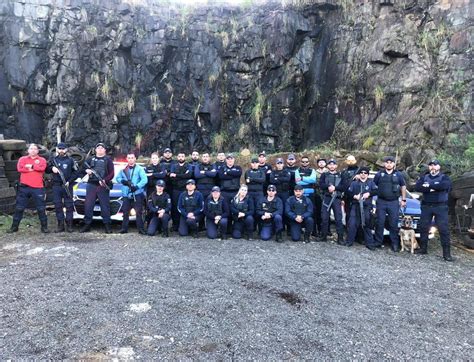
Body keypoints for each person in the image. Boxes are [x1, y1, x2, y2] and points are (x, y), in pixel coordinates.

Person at [415, 159, 454, 261]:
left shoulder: (444, 177)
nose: (432, 167)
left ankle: (447, 254)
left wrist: (429, 186)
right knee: (423, 227)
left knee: (443, 230)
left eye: (435, 165)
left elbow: (444, 186)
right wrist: (433, 188)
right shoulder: (424, 177)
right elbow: (418, 187)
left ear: (439, 167)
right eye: (431, 165)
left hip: (440, 207)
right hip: (426, 206)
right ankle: (423, 249)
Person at [8, 143, 49, 233]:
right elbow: (20, 169)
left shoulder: (42, 159)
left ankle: (44, 228)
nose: (33, 150)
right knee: (19, 208)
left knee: (41, 208)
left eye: (35, 149)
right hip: (24, 187)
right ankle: (14, 227)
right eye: (31, 148)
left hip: (38, 188)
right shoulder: (22, 159)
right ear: (28, 150)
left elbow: (42, 168)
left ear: (38, 151)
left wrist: (31, 166)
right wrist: (33, 168)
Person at [373, 156, 407, 251]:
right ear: (384, 164)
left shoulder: (399, 175)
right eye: (387, 162)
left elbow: (403, 186)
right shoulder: (379, 174)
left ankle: (394, 244)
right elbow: (373, 186)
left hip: (394, 202)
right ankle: (378, 242)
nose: (388, 164)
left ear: (393, 164)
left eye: (390, 162)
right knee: (379, 222)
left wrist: (403, 199)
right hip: (381, 202)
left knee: (393, 223)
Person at [80, 142, 114, 233]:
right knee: (88, 206)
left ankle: (107, 225)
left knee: (105, 206)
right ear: (95, 150)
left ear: (104, 150)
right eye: (98, 148)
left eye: (101, 148)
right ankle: (87, 225)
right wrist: (86, 170)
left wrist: (104, 181)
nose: (99, 149)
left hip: (102, 186)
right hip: (91, 184)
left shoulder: (108, 160)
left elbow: (112, 174)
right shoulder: (90, 159)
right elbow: (82, 169)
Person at [46, 142, 79, 233]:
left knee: (69, 206)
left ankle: (69, 225)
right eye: (59, 148)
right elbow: (46, 170)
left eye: (63, 149)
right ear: (57, 149)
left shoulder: (71, 160)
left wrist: (69, 181)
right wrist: (52, 168)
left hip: (67, 185)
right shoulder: (53, 160)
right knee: (58, 205)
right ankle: (60, 225)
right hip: (56, 186)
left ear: (66, 149)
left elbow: (76, 172)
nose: (61, 150)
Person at [116, 152, 148, 234]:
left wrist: (136, 187)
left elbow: (144, 180)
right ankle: (124, 228)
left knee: (138, 212)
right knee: (125, 212)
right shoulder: (123, 169)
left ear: (135, 159)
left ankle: (140, 229)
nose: (130, 159)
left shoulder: (140, 169)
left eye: (132, 158)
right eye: (129, 158)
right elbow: (117, 178)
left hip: (137, 194)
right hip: (126, 194)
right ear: (127, 159)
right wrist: (123, 181)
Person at [345, 167, 377, 249]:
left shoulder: (371, 183)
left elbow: (376, 191)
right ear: (359, 174)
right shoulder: (354, 183)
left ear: (367, 174)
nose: (363, 174)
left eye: (365, 173)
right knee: (352, 224)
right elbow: (348, 192)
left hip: (366, 206)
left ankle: (370, 244)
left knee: (366, 224)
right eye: (361, 172)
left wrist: (369, 194)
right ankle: (349, 241)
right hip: (355, 206)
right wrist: (354, 196)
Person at [319, 159, 345, 244]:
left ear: (336, 166)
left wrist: (335, 188)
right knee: (324, 218)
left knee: (338, 219)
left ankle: (340, 238)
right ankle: (323, 236)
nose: (332, 166)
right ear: (328, 166)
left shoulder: (341, 175)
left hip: (337, 198)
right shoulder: (324, 174)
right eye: (330, 164)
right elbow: (321, 184)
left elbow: (344, 186)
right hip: (327, 198)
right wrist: (328, 186)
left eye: (333, 164)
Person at [169, 152, 191, 231]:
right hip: (176, 189)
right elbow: (171, 177)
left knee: (186, 206)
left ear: (185, 157)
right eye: (179, 156)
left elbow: (189, 175)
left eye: (182, 156)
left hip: (185, 190)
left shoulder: (189, 166)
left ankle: (186, 224)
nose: (181, 158)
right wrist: (183, 175)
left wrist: (176, 175)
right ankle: (175, 224)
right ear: (177, 157)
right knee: (175, 207)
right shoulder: (173, 166)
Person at [341, 155, 360, 226]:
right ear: (346, 161)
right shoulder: (344, 172)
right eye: (349, 160)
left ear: (355, 161)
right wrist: (342, 198)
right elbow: (342, 185)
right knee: (348, 214)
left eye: (352, 160)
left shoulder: (361, 171)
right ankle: (348, 231)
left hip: (358, 196)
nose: (350, 162)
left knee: (358, 214)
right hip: (347, 196)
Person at [313, 158, 328, 236]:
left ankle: (327, 230)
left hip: (327, 194)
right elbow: (313, 182)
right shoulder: (315, 172)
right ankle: (318, 229)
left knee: (327, 212)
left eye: (323, 162)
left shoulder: (328, 172)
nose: (321, 164)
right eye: (320, 162)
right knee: (318, 212)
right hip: (317, 194)